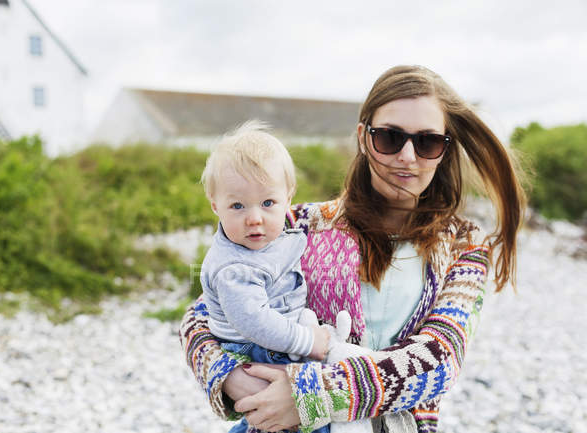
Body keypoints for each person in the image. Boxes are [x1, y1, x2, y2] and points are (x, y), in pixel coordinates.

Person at [179, 65, 527, 433]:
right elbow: (201, 316)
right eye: (390, 138)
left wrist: (309, 396)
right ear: (363, 137)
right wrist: (232, 378)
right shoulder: (299, 225)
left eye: (427, 142)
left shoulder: (465, 245)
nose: (408, 156)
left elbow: (440, 360)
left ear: (444, 150)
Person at [198, 120, 331, 433]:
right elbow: (255, 321)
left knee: (286, 417)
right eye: (238, 206)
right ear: (216, 206)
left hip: (275, 338)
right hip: (256, 347)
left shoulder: (275, 238)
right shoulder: (233, 268)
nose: (254, 218)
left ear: (289, 197)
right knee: (284, 418)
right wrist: (308, 340)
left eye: (268, 203)